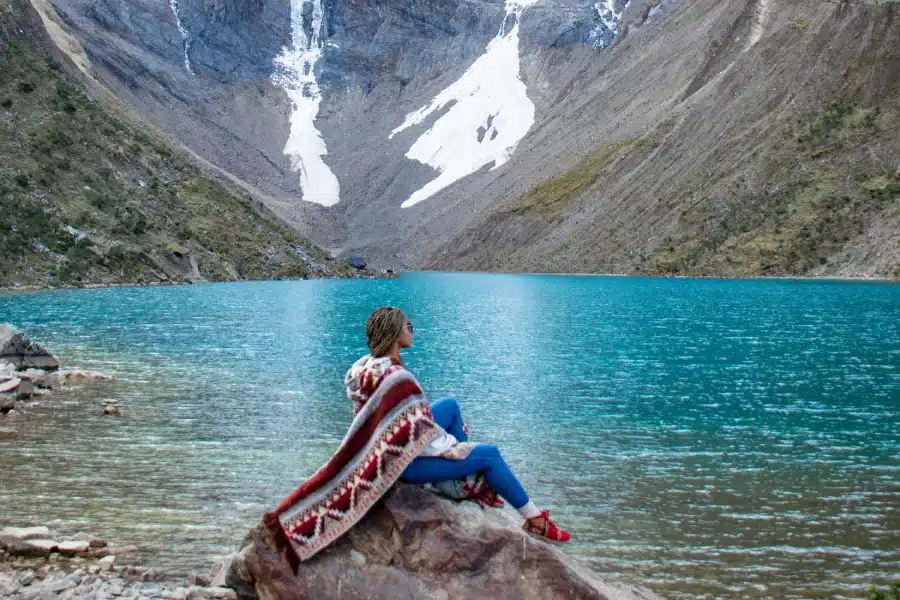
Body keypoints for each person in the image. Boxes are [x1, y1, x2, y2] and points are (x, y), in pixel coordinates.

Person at [344, 306, 571, 543]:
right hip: (403, 462)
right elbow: (415, 438)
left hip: (385, 452)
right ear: (394, 333)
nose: (412, 330)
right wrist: (456, 446)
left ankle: (465, 480)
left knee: (449, 406)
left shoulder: (368, 368)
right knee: (490, 455)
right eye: (408, 326)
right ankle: (534, 520)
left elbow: (401, 424)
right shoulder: (397, 378)